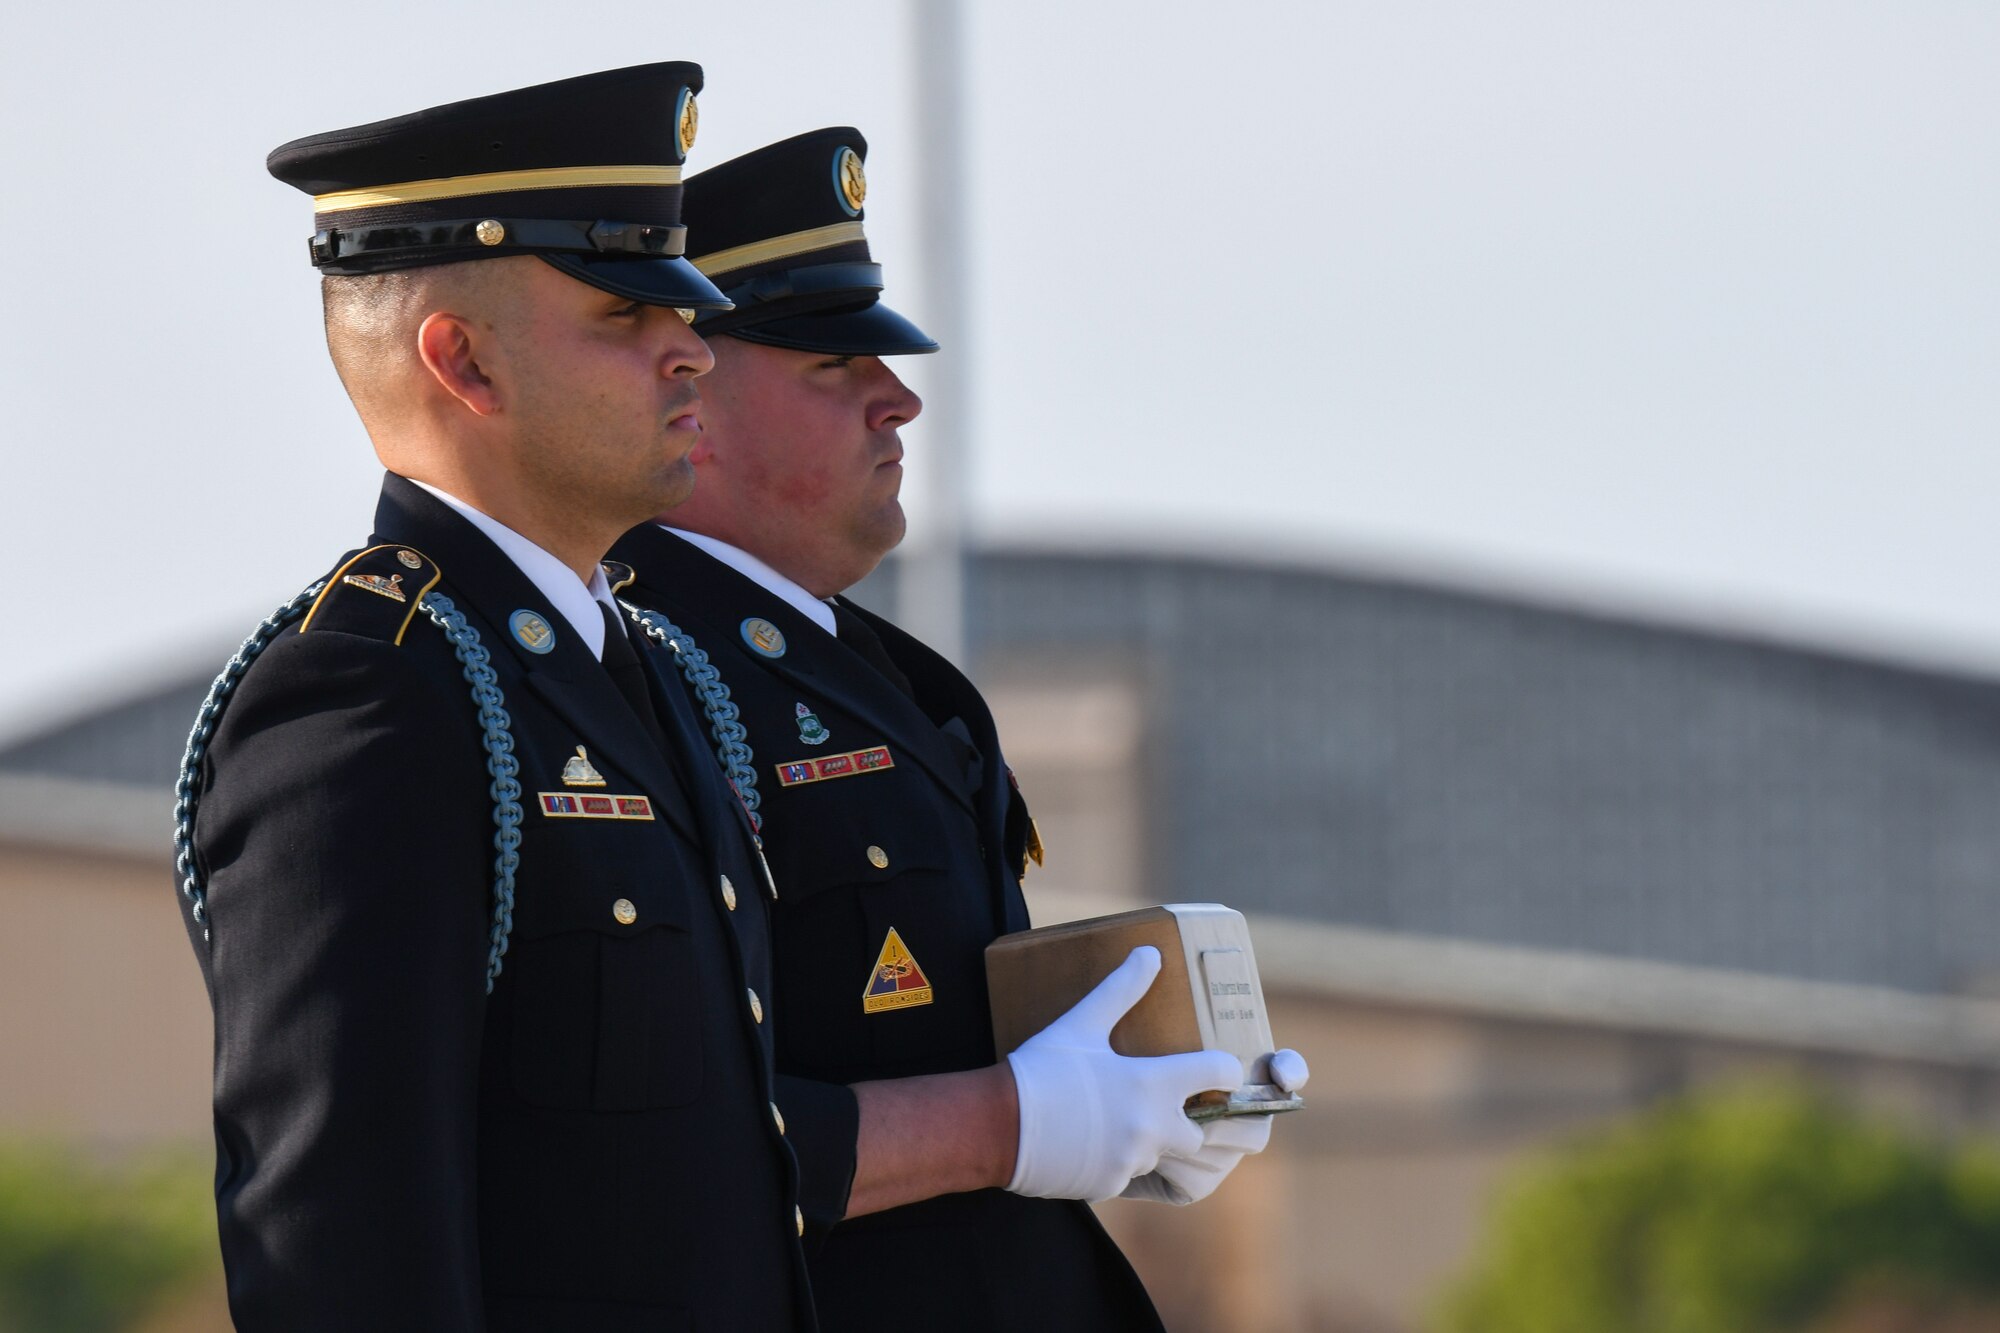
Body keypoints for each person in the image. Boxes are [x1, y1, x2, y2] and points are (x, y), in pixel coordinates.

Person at [609, 128, 1310, 1332]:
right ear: (690, 392)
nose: (900, 397)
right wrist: (1018, 1121)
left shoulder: (897, 678)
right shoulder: (628, 672)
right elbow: (644, 1135)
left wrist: (1127, 1099)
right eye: (833, 361)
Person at [173, 65, 818, 1330]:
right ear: (461, 359)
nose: (692, 346)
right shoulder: (370, 689)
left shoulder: (644, 669)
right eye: (623, 316)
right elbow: (337, 1240)